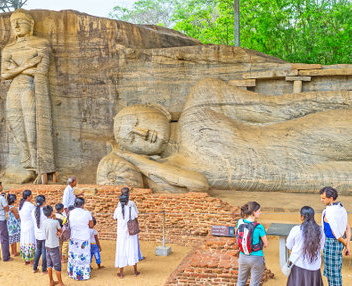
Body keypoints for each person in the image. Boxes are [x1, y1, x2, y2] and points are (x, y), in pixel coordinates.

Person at [106, 78, 351, 192]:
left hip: (309, 135)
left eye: (138, 122)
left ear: (157, 108)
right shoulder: (173, 168)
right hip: (307, 176)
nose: (142, 133)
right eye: (131, 139)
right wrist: (138, 162)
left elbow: (277, 107)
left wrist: (341, 100)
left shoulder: (200, 101)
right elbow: (198, 185)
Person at [1, 8, 56, 184]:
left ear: (30, 25)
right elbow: (4, 74)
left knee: (32, 130)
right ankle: (29, 168)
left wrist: (15, 68)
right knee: (17, 130)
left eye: (20, 21)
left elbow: (41, 70)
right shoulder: (8, 48)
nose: (16, 25)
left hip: (29, 89)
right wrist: (26, 65)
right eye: (13, 22)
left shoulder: (41, 43)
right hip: (14, 91)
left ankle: (40, 168)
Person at [320, 186, 351, 286]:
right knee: (336, 272)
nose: (321, 200)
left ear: (331, 198)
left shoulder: (329, 212)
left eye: (323, 198)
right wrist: (347, 245)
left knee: (332, 274)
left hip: (331, 244)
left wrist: (344, 242)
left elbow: (336, 234)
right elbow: (347, 228)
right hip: (339, 244)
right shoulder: (342, 209)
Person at [286, 206, 325, 285]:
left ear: (301, 217)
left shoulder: (296, 230)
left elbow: (289, 245)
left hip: (298, 266)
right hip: (315, 267)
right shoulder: (320, 231)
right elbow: (321, 247)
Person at [236, 201, 268, 286]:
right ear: (254, 212)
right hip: (256, 258)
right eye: (259, 211)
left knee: (240, 281)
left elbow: (237, 235)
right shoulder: (259, 227)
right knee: (254, 284)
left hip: (243, 256)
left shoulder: (240, 222)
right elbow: (266, 244)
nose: (260, 213)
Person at [114, 194, 140, 278]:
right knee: (132, 250)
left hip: (121, 234)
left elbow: (115, 218)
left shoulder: (117, 210)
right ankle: (135, 271)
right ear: (127, 201)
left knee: (121, 251)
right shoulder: (131, 209)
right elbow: (136, 217)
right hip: (130, 233)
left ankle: (121, 273)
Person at [68, 197, 93, 280]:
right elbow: (91, 225)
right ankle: (83, 274)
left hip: (73, 236)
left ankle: (73, 273)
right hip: (83, 237)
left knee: (74, 255)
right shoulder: (87, 213)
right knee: (83, 255)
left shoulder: (70, 212)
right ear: (82, 204)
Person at [117, 187, 144, 260]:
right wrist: (136, 225)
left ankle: (125, 257)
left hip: (122, 227)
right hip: (131, 225)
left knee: (123, 243)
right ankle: (138, 256)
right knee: (134, 242)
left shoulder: (119, 203)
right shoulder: (131, 203)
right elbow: (135, 215)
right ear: (128, 194)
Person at [43, 205, 64, 286]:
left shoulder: (44, 222)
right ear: (52, 212)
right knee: (57, 265)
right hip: (54, 246)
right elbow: (60, 230)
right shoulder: (55, 222)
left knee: (49, 264)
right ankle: (60, 283)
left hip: (47, 245)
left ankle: (51, 281)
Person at [19, 190, 36, 264]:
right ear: (28, 197)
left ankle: (26, 260)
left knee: (24, 242)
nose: (32, 196)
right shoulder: (31, 206)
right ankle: (32, 261)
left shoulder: (20, 205)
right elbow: (35, 215)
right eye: (31, 195)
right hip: (30, 226)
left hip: (23, 226)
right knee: (30, 242)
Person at [32, 195, 47, 273]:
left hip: (37, 234)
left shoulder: (33, 211)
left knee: (38, 250)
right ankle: (44, 269)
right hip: (44, 234)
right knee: (44, 251)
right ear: (44, 202)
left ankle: (35, 268)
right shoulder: (45, 211)